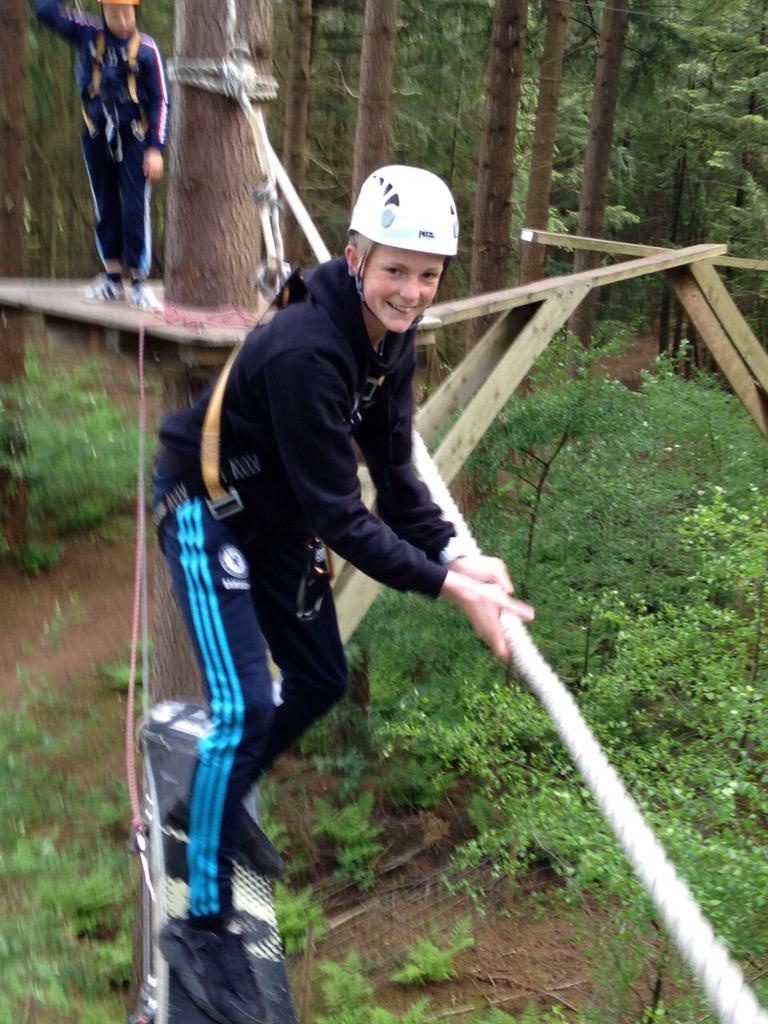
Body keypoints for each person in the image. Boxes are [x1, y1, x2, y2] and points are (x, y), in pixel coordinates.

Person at [152, 165, 534, 1024]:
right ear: (356, 258)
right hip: (206, 509)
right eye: (396, 269)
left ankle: (213, 799)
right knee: (245, 705)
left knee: (321, 677)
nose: (412, 291)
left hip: (278, 515)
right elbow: (343, 516)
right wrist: (451, 588)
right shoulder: (306, 351)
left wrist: (456, 555)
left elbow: (396, 480)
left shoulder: (392, 343)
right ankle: (201, 925)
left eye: (428, 275)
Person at [35, 0, 169, 310]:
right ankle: (111, 278)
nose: (121, 20)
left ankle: (139, 282)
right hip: (97, 134)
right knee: (104, 204)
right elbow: (45, 12)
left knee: (135, 207)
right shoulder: (87, 34)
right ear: (102, 11)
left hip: (134, 137)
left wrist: (155, 148)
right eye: (113, 13)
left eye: (126, 12)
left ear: (135, 10)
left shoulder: (147, 50)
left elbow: (160, 100)